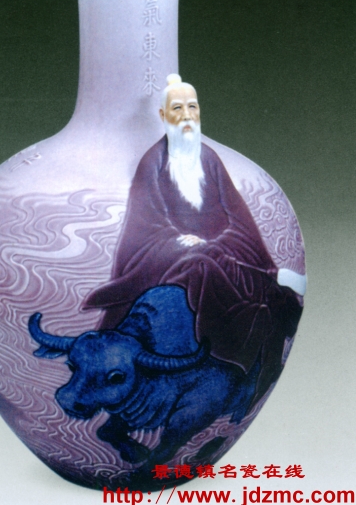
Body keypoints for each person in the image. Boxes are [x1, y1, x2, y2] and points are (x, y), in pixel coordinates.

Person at [83, 74, 302, 403]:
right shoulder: (153, 163)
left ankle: (269, 285)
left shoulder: (210, 159)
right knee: (199, 264)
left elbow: (238, 214)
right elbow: (147, 223)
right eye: (177, 109)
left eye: (192, 107)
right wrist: (179, 240)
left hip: (227, 248)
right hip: (171, 255)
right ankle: (221, 350)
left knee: (243, 277)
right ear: (162, 115)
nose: (186, 115)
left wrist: (222, 242)